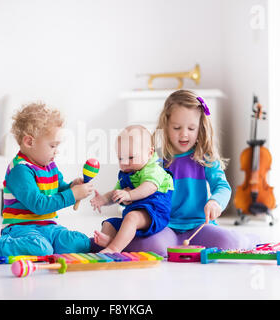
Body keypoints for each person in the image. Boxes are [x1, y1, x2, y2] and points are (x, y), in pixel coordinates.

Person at [95, 90, 259, 256]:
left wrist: (216, 202)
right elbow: (135, 189)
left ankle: (248, 240)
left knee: (229, 243)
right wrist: (125, 197)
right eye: (176, 127)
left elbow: (222, 186)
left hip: (199, 226)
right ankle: (111, 243)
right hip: (165, 226)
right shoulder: (155, 160)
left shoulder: (205, 158)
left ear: (200, 128)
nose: (184, 134)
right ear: (166, 125)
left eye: (191, 128)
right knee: (152, 247)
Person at [0, 102, 94, 259]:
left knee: (79, 243)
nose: (56, 151)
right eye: (53, 145)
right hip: (21, 229)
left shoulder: (49, 165)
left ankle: (103, 242)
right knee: (41, 249)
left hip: (49, 227)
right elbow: (39, 205)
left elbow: (60, 189)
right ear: (29, 142)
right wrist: (72, 195)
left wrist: (72, 187)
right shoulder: (20, 170)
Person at [90, 125, 174, 253]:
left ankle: (114, 248)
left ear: (149, 153)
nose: (124, 163)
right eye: (120, 158)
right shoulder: (126, 175)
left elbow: (149, 187)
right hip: (134, 214)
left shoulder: (153, 169)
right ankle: (109, 241)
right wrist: (103, 199)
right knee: (108, 224)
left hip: (155, 213)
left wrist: (129, 195)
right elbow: (115, 194)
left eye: (130, 157)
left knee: (131, 218)